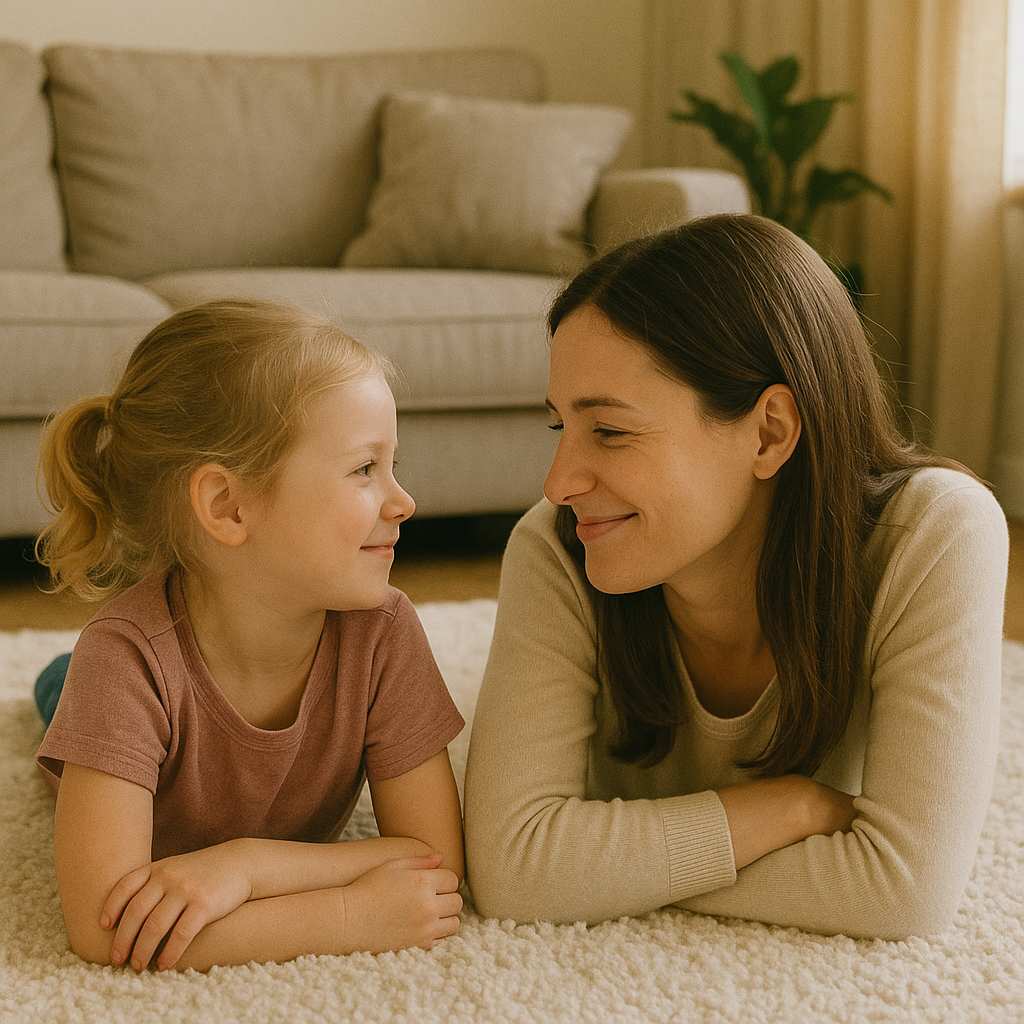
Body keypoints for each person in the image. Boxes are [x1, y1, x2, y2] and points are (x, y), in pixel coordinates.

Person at [463, 214, 1009, 940]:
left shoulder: (937, 535)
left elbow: (904, 891)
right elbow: (514, 866)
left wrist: (606, 867)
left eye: (612, 430)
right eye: (560, 425)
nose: (558, 481)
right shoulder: (556, 546)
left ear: (770, 432)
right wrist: (788, 810)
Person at [33, 299, 466, 972]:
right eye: (363, 469)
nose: (403, 501)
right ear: (227, 506)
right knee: (62, 689)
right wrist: (347, 913)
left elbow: (436, 862)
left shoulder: (384, 632)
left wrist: (248, 867)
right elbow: (99, 927)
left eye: (393, 466)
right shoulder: (122, 660)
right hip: (110, 676)